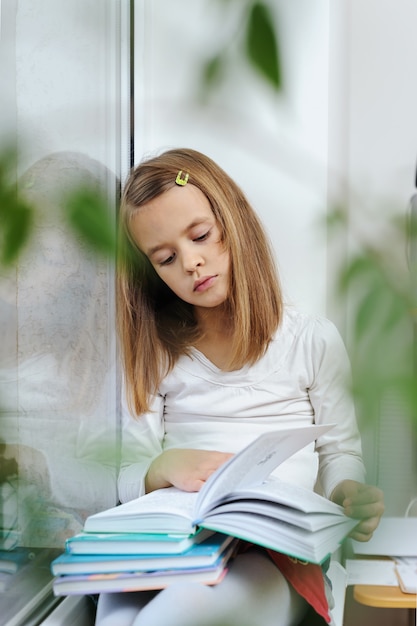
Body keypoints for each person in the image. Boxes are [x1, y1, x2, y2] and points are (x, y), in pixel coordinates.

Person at [95, 148, 384, 626]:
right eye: (166, 259)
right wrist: (162, 466)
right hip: (174, 544)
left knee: (165, 618)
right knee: (114, 614)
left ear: (234, 222)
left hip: (274, 555)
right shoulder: (155, 354)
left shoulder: (311, 340)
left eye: (202, 236)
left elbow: (339, 453)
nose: (191, 262)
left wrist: (347, 491)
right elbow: (126, 476)